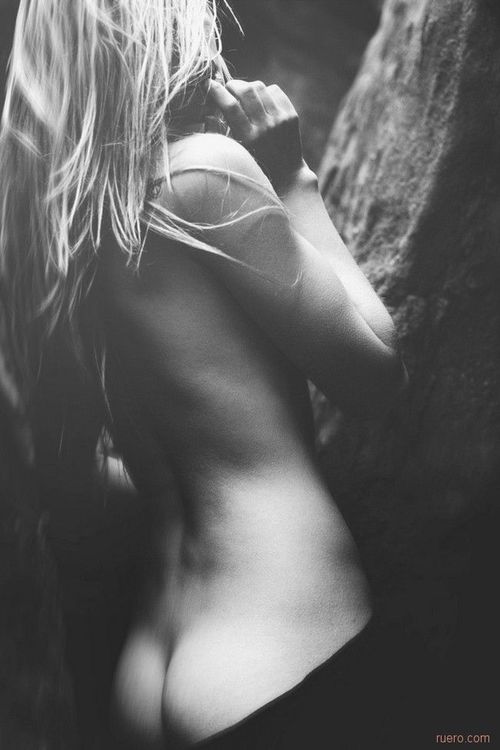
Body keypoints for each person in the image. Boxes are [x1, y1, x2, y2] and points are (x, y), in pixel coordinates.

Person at [0, 1, 407, 747]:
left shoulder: (53, 252)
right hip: (275, 639)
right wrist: (293, 177)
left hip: (146, 669)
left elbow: (73, 487)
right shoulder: (202, 174)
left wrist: (191, 474)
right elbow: (375, 378)